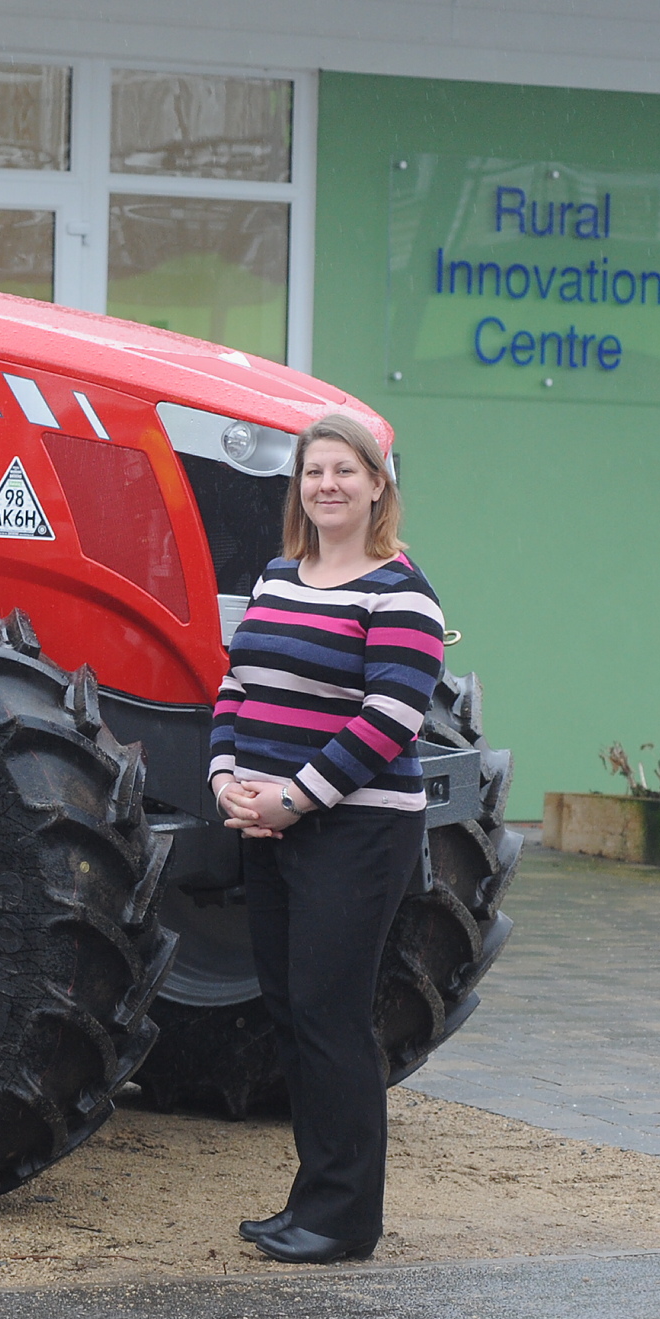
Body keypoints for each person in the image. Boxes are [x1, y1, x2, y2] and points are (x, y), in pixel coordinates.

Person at [211, 412, 445, 1265]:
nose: (327, 486)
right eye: (314, 472)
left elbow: (389, 718)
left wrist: (295, 798)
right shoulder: (279, 575)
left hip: (355, 830)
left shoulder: (401, 591)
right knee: (290, 1011)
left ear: (378, 484)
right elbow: (235, 686)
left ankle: (344, 1220)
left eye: (345, 471)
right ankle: (311, 1201)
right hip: (270, 824)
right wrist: (224, 779)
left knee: (329, 1014)